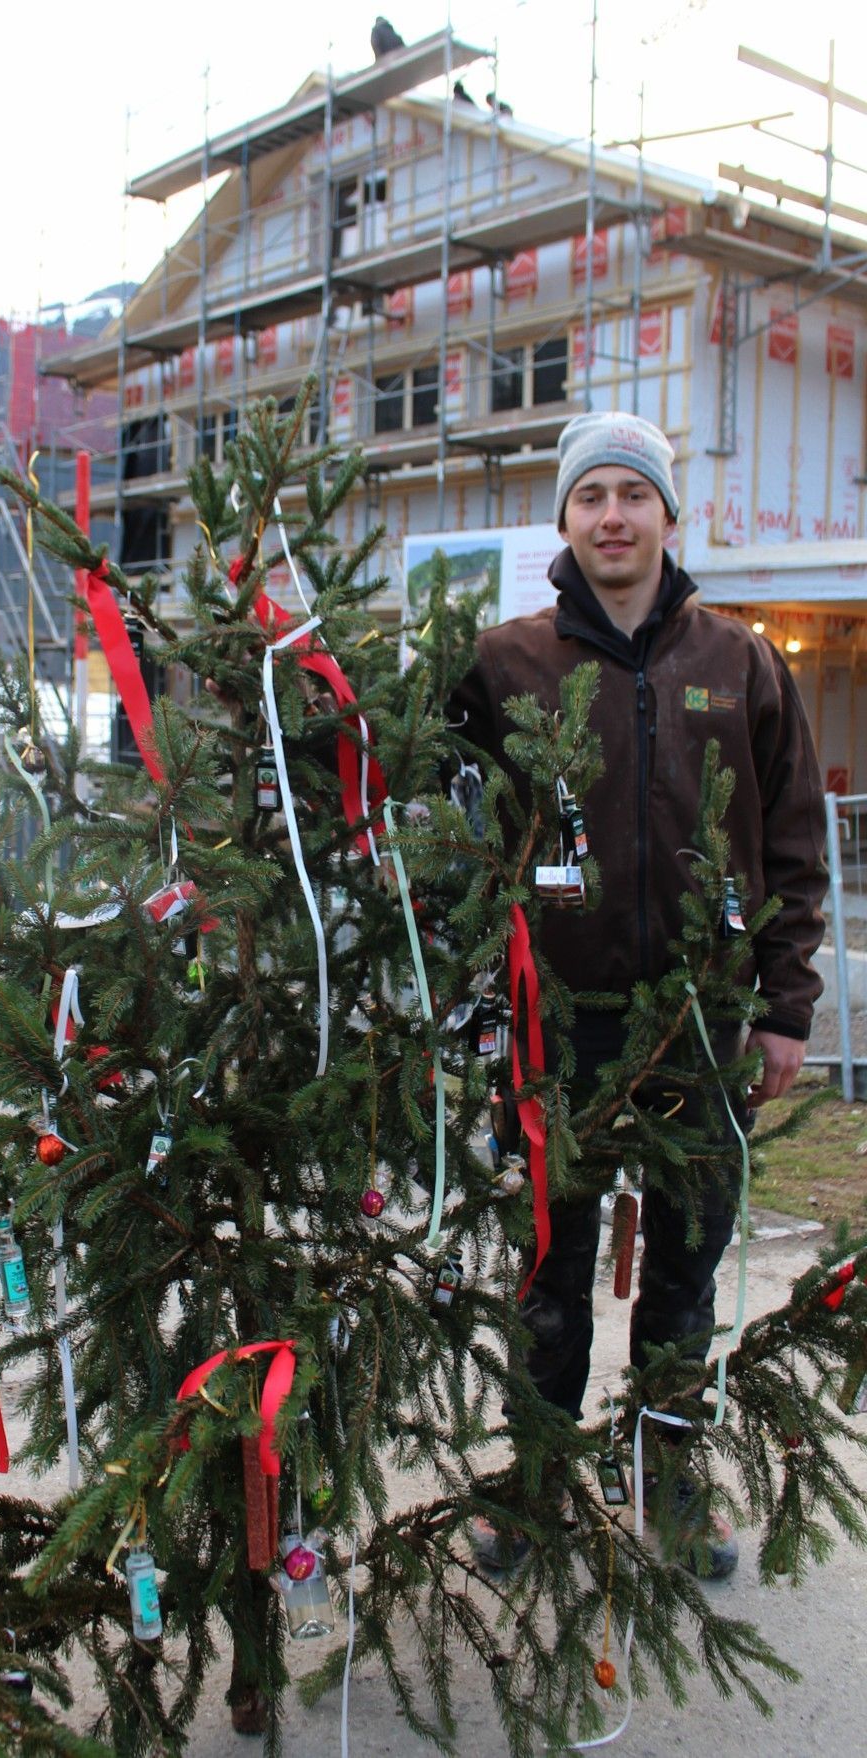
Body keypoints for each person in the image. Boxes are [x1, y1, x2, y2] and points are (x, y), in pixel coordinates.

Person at [449, 411, 827, 1576]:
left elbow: (796, 843)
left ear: (669, 512)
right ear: (564, 518)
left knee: (688, 1262)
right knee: (549, 1266)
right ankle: (538, 1482)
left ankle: (670, 1478)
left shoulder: (741, 662)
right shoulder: (504, 664)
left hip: (700, 1028)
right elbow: (426, 805)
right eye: (590, 496)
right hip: (557, 1026)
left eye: (633, 494)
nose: (612, 516)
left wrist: (782, 1006)